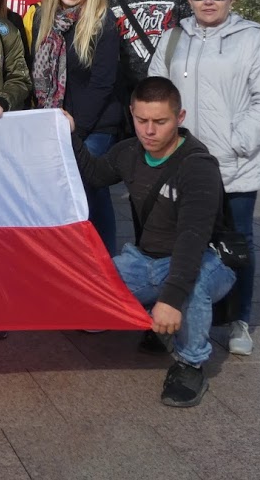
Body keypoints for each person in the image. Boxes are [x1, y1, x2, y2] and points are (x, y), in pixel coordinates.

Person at [70, 76, 237, 408]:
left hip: (207, 261)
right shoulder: (128, 151)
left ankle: (190, 364)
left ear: (180, 117)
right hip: (146, 259)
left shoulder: (198, 166)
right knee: (91, 286)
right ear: (131, 112)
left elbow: (192, 240)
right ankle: (157, 321)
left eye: (160, 122)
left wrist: (171, 300)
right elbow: (95, 175)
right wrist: (70, 133)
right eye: (141, 120)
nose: (148, 130)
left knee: (192, 286)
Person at [149, 0, 260, 357]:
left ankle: (240, 318)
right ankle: (182, 316)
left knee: (238, 242)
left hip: (235, 162)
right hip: (184, 161)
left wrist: (238, 141)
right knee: (183, 240)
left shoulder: (251, 40)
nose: (208, 1)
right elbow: (158, 91)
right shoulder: (174, 38)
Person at [31, 0, 123, 254]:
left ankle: (104, 260)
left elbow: (103, 82)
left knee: (89, 189)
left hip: (93, 124)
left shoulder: (102, 21)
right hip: (56, 122)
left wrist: (76, 127)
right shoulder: (44, 16)